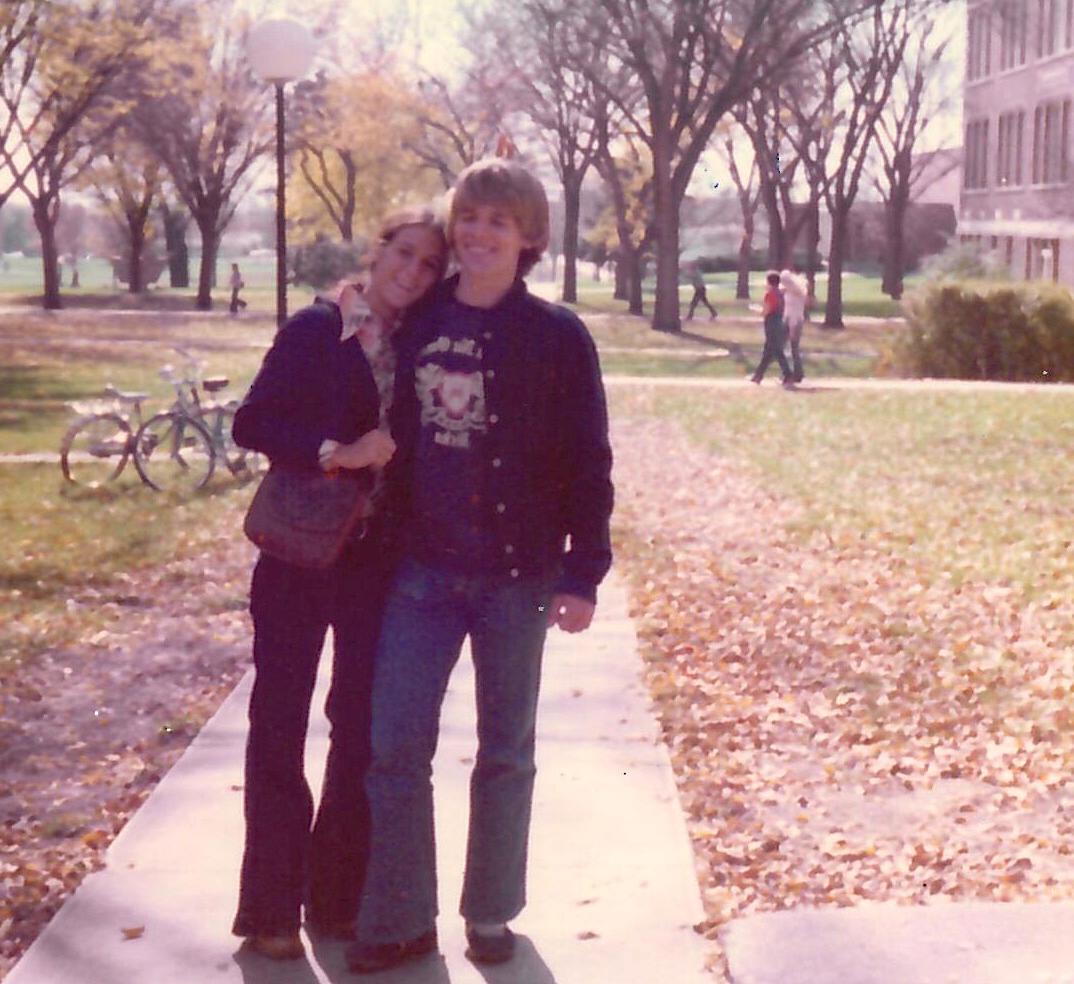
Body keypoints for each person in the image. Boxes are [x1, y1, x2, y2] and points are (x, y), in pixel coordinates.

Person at [346, 157, 614, 974]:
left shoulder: (558, 336)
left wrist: (583, 571)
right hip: (422, 574)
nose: (480, 233)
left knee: (505, 751)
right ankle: (399, 918)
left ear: (528, 236)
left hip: (518, 579)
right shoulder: (420, 320)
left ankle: (491, 912)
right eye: (470, 218)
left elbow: (588, 459)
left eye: (500, 221)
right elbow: (356, 343)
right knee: (395, 748)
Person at [229, 209, 448, 961]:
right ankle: (268, 908)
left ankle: (333, 897)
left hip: (373, 564)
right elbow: (252, 423)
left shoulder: (422, 344)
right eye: (404, 254)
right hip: (295, 558)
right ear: (377, 250)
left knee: (356, 728)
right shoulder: (317, 329)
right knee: (280, 724)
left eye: (428, 265)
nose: (412, 273)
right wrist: (338, 451)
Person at [750, 270, 794, 387]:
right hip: (780, 322)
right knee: (768, 351)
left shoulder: (770, 294)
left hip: (772, 323)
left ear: (769, 282)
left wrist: (755, 309)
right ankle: (758, 376)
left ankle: (788, 375)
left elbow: (767, 311)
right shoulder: (780, 294)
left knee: (776, 351)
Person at [781, 267, 809, 383]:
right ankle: (791, 373)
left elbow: (796, 311)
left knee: (793, 349)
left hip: (795, 321)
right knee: (782, 347)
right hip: (788, 319)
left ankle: (796, 374)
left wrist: (792, 326)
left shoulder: (797, 294)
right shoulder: (788, 291)